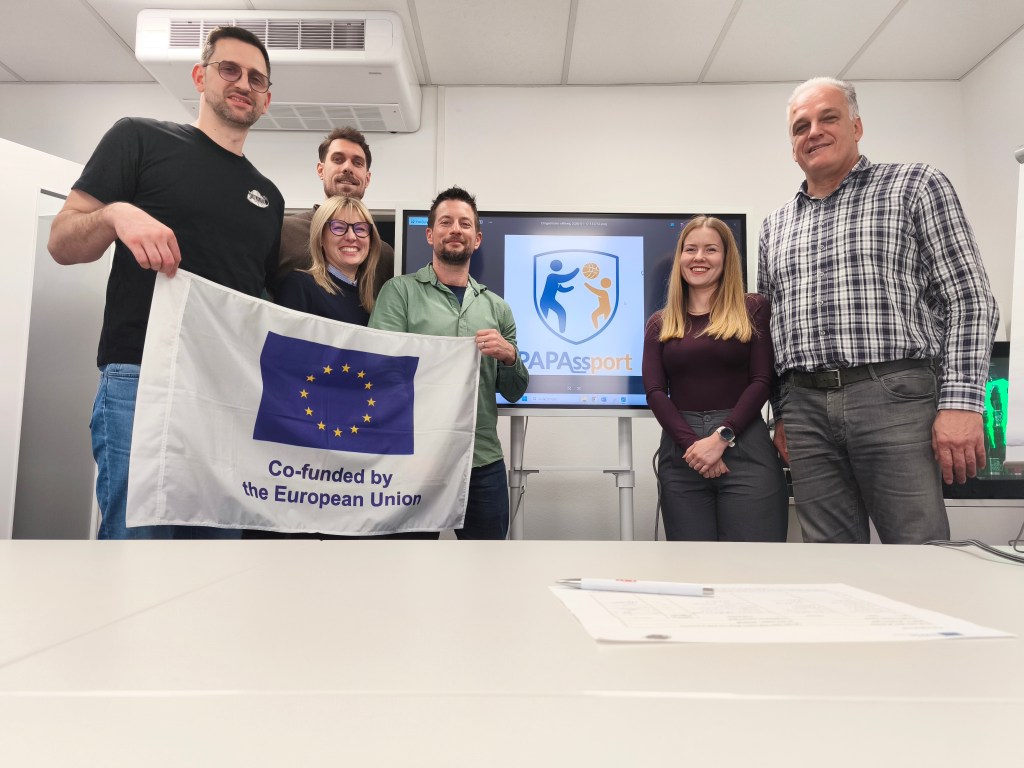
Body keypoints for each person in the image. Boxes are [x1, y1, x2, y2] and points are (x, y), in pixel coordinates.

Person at [47, 26, 284, 540]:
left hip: (224, 396)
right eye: (229, 69)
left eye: (256, 79)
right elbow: (62, 242)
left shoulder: (269, 198)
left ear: (266, 100)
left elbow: (256, 304)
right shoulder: (139, 139)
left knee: (216, 564)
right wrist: (115, 215)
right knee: (136, 552)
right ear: (200, 76)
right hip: (142, 381)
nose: (243, 83)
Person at [758, 76, 999, 544]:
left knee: (917, 550)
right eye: (801, 126)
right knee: (831, 562)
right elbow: (773, 330)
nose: (814, 132)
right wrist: (782, 414)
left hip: (894, 397)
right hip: (804, 409)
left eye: (828, 118)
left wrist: (961, 402)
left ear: (856, 126)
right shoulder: (775, 225)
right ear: (792, 147)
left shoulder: (916, 185)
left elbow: (969, 299)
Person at [369, 186, 529, 539]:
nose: (455, 229)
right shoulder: (399, 292)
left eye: (465, 223)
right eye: (445, 222)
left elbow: (515, 391)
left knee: (488, 565)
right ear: (430, 234)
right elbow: (380, 370)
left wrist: (509, 356)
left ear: (477, 238)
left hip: (481, 460)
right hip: (414, 459)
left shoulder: (498, 308)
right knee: (407, 565)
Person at [643, 216, 788, 541]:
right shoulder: (659, 323)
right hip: (683, 456)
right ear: (680, 256)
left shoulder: (753, 309)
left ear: (726, 258)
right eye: (691, 249)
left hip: (746, 448)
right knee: (693, 565)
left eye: (711, 249)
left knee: (755, 563)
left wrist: (721, 438)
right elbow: (654, 391)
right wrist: (695, 446)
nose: (699, 257)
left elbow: (762, 380)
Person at [271, 126, 394, 298]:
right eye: (338, 160)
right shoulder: (284, 232)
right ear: (321, 170)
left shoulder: (383, 254)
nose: (347, 168)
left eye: (357, 163)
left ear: (367, 179)